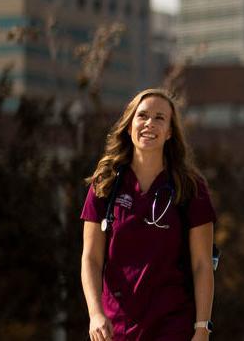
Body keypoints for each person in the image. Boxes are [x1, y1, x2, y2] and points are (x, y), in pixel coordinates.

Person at [79, 89, 216, 341]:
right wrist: (95, 313)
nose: (149, 123)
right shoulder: (105, 183)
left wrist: (201, 327)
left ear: (170, 132)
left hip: (172, 325)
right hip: (116, 327)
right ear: (130, 126)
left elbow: (202, 264)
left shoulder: (190, 187)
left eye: (159, 118)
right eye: (142, 116)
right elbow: (91, 258)